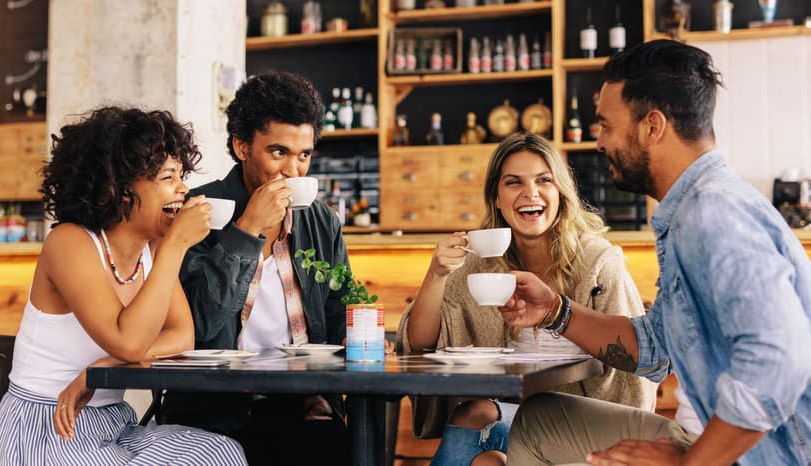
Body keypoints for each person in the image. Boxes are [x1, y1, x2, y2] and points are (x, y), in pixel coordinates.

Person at [500, 39, 811, 466]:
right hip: (703, 433)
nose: (599, 143)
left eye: (607, 126)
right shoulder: (691, 208)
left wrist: (689, 462)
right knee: (539, 419)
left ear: (652, 126)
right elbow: (655, 350)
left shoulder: (711, 213)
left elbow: (779, 358)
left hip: (768, 454)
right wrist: (556, 310)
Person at [0, 106, 247, 465]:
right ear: (121, 188)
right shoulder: (70, 243)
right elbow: (129, 340)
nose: (183, 188)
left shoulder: (152, 248)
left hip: (111, 421)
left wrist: (101, 369)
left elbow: (181, 337)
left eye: (181, 175)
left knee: (219, 452)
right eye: (168, 177)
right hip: (47, 423)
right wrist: (177, 244)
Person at [396, 132, 658, 466]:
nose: (530, 193)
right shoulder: (480, 264)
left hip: (587, 424)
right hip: (516, 415)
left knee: (482, 436)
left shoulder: (597, 262)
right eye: (513, 182)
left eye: (544, 180)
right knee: (480, 436)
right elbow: (419, 343)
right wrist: (436, 274)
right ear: (496, 197)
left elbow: (632, 374)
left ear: (561, 192)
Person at [161, 71, 351, 466]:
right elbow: (199, 325)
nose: (294, 171)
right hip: (217, 408)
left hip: (302, 406)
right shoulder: (200, 211)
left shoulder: (321, 221)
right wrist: (248, 229)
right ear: (242, 146)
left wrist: (360, 337)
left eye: (304, 155)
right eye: (278, 152)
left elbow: (340, 311)